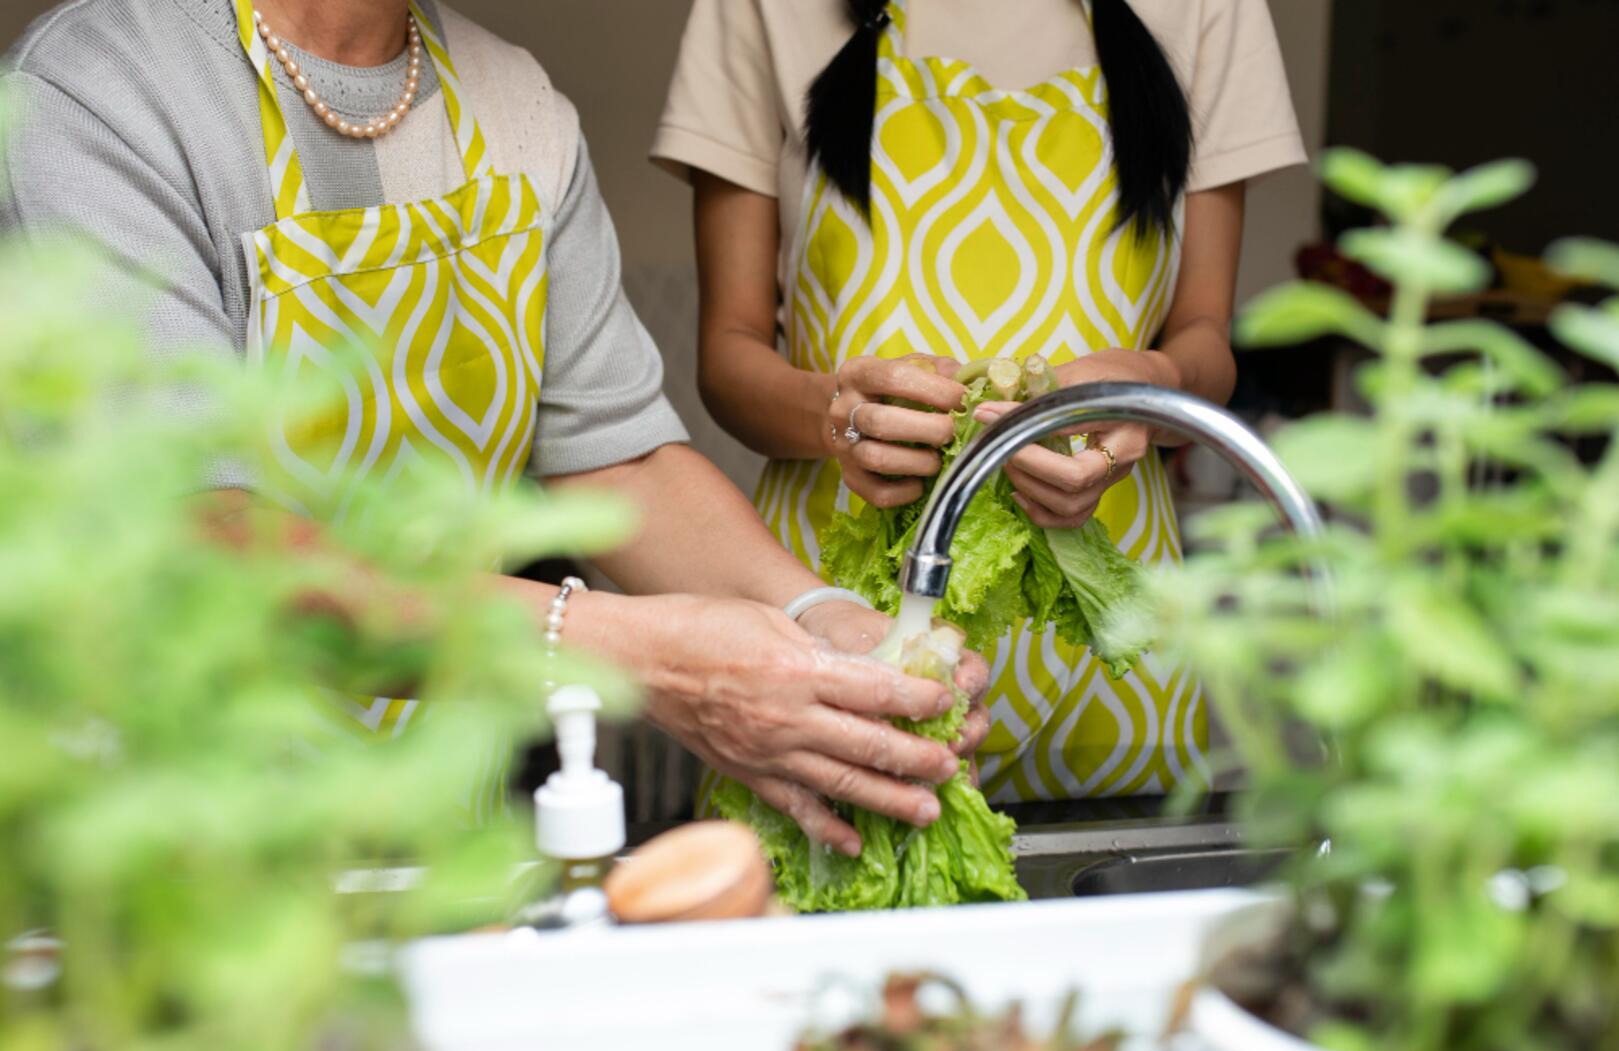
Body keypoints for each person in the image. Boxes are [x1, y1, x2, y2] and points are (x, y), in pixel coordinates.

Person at [0, 0, 990, 853]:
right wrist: (644, 656)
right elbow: (208, 551)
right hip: (162, 870)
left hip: (441, 850)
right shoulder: (93, 101)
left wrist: (828, 631)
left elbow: (621, 465)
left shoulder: (512, 105)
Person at [653, 0, 1307, 801]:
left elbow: (1204, 336)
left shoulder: (1209, 10)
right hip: (836, 628)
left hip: (1112, 646)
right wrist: (841, 412)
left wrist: (1149, 388)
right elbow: (726, 358)